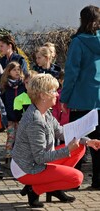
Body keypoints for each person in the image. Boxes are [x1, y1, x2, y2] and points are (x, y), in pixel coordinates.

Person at [11, 73, 100, 208]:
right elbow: (40, 157)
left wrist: (87, 141)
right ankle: (35, 189)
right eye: (53, 91)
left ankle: (52, 186)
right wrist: (67, 150)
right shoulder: (35, 121)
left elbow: (62, 132)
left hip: (36, 161)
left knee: (81, 147)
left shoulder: (44, 111)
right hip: (27, 168)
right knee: (77, 178)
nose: (57, 94)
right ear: (42, 95)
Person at [60, 5, 100, 188]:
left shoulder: (77, 42)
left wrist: (64, 98)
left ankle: (73, 181)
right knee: (98, 143)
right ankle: (98, 181)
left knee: (76, 141)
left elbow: (71, 72)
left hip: (81, 99)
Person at [0, 61, 25, 164]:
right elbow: (2, 103)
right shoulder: (5, 87)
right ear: (9, 72)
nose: (17, 72)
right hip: (9, 117)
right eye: (14, 70)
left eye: (18, 69)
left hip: (21, 117)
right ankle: (8, 156)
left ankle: (18, 157)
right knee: (11, 136)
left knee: (20, 137)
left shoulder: (22, 85)